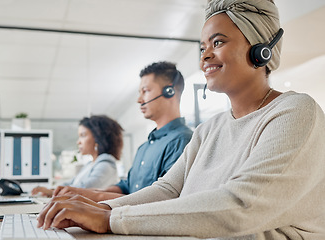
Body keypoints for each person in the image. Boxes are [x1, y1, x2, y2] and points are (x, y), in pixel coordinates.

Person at [37, 0, 325, 239]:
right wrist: (100, 210)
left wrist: (110, 218)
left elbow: (241, 206)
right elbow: (168, 190)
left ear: (262, 49)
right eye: (202, 47)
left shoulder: (295, 111)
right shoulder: (208, 130)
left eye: (218, 42)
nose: (205, 56)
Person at [51, 61, 193, 201]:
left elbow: (165, 198)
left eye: (146, 91)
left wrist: (97, 196)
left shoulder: (181, 141)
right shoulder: (144, 148)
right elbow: (128, 186)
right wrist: (87, 193)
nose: (139, 99)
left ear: (169, 92)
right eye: (140, 92)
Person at [31, 115, 123, 197]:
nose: (78, 142)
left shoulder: (106, 165)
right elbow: (71, 183)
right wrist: (51, 190)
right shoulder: (90, 164)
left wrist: (53, 192)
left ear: (98, 138)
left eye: (83, 135)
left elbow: (85, 189)